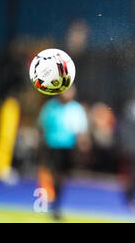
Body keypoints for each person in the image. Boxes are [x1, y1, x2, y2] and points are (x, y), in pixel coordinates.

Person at [38, 85, 88, 220]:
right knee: (52, 174)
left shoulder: (76, 109)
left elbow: (81, 131)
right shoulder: (50, 107)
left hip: (67, 148)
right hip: (52, 146)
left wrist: (82, 147)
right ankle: (48, 202)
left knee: (61, 177)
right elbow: (42, 127)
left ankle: (55, 203)